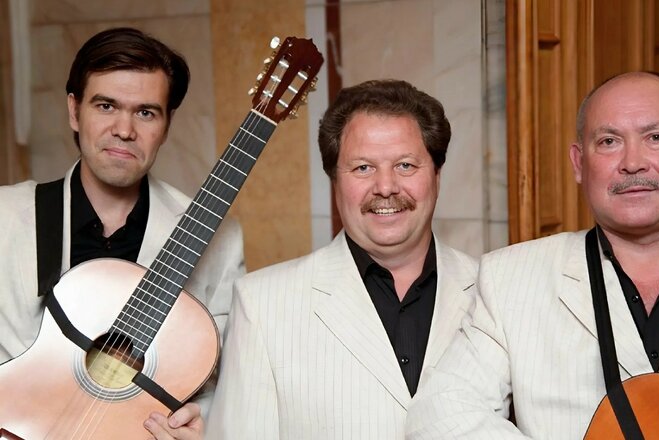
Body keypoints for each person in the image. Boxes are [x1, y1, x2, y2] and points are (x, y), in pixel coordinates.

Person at [406, 71, 659, 439]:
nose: (633, 162)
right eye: (609, 141)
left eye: (656, 137)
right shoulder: (509, 277)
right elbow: (438, 415)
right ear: (578, 163)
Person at [0, 27, 244, 439]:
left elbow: (220, 379)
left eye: (146, 112)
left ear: (167, 125)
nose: (124, 130)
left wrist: (199, 424)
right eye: (106, 106)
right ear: (74, 111)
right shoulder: (5, 218)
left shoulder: (218, 236)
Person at [205, 79, 478, 439]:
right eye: (363, 168)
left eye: (405, 165)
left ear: (437, 176)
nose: (385, 187)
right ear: (335, 181)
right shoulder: (261, 304)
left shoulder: (491, 291)